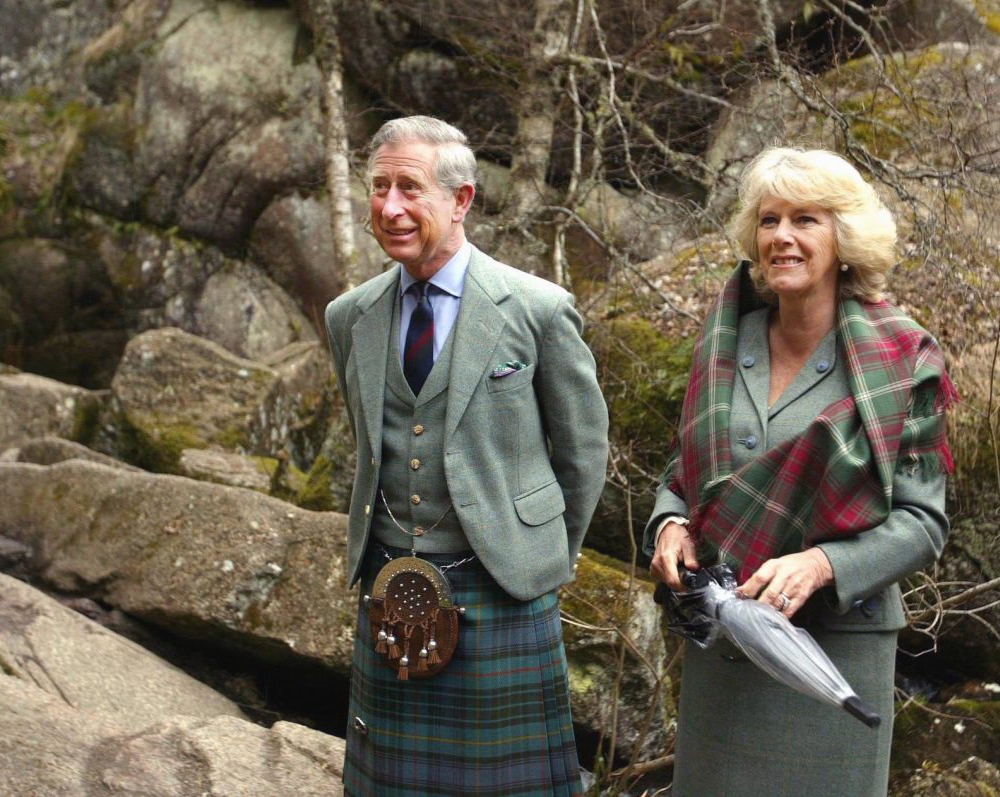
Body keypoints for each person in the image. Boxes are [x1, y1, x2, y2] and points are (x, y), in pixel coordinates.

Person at [646, 146, 957, 796]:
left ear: (844, 238)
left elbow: (924, 523)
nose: (782, 236)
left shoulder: (902, 358)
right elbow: (688, 472)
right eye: (769, 220)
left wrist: (821, 563)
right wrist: (671, 522)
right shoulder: (729, 339)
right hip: (721, 647)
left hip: (831, 653)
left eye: (806, 219)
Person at [325, 115, 608, 797]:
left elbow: (584, 448)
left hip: (504, 587)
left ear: (462, 199)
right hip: (390, 591)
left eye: (410, 189)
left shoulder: (538, 309)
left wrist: (538, 556)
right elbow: (372, 445)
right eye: (378, 187)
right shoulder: (348, 316)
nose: (389, 207)